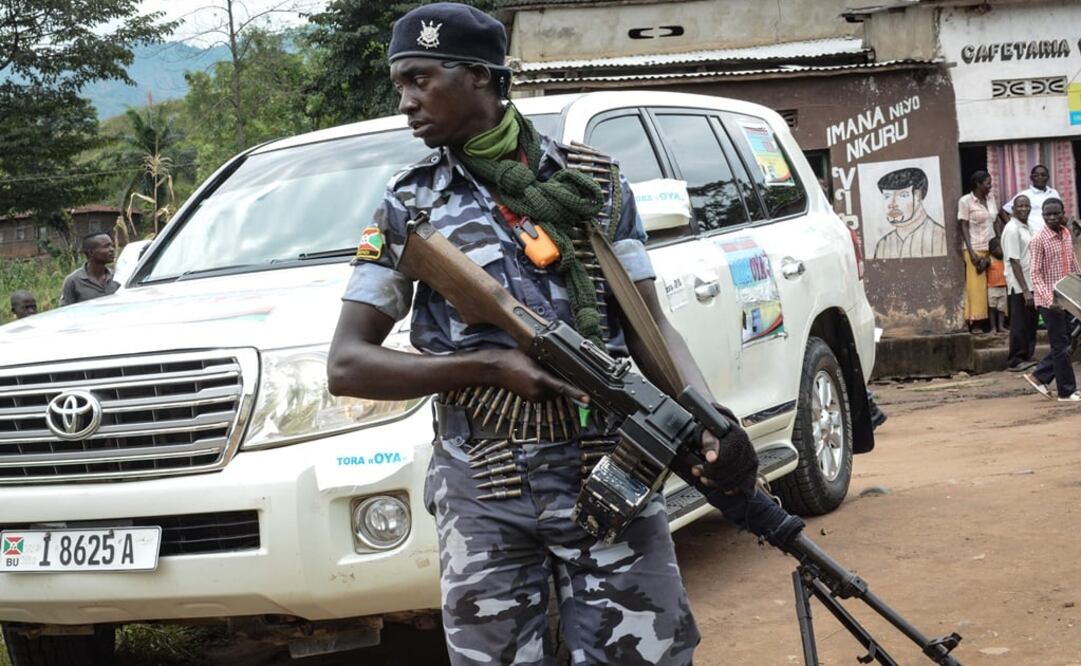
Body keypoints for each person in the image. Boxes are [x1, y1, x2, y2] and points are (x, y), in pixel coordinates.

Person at [326, 5, 757, 663]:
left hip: (611, 471)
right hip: (484, 488)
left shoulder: (593, 183)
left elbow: (649, 327)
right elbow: (348, 364)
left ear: (478, 75)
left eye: (419, 80)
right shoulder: (408, 206)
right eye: (399, 85)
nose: (406, 102)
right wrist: (485, 369)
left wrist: (709, 417)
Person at [1024, 199, 1080, 402]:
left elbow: (1072, 263)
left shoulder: (1065, 233)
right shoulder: (1039, 240)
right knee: (1061, 344)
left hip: (1066, 298)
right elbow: (1035, 274)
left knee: (1068, 342)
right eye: (1048, 215)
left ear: (1063, 213)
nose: (1052, 218)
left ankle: (1039, 376)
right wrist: (1050, 300)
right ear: (1043, 216)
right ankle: (1066, 391)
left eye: (1056, 214)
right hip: (1049, 302)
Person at [872, 167, 947, 259]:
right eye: (887, 196)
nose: (892, 204)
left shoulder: (941, 237)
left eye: (902, 195)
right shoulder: (883, 245)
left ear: (918, 196)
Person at [957, 171, 998, 333]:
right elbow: (963, 226)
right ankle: (977, 322)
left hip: (992, 248)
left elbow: (995, 219)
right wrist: (971, 251)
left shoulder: (990, 199)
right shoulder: (965, 201)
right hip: (975, 247)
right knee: (977, 286)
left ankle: (996, 323)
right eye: (988, 183)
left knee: (995, 284)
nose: (990, 186)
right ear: (978, 184)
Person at [1001, 195, 1038, 371]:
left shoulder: (1028, 227)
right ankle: (1015, 359)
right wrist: (1025, 290)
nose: (1024, 209)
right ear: (1013, 209)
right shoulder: (1012, 229)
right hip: (1019, 285)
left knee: (1030, 323)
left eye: (1027, 205)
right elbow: (1014, 261)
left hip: (1031, 283)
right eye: (1020, 206)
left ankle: (1027, 356)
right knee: (1019, 323)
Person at [60, 231, 119, 306]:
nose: (112, 250)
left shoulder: (117, 277)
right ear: (91, 252)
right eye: (106, 246)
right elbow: (66, 311)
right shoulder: (73, 281)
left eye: (112, 246)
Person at [1001, 164, 1059, 232]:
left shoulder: (1054, 193)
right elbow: (1003, 211)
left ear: (1048, 177)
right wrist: (1015, 228)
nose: (1040, 177)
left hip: (1052, 233)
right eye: (1036, 175)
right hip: (1032, 235)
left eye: (1043, 175)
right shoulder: (1024, 195)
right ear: (1031, 178)